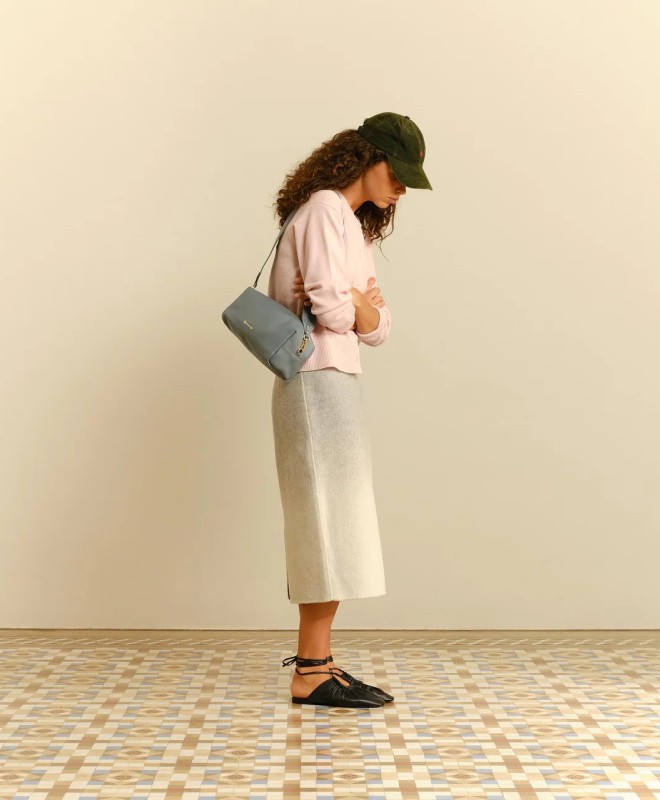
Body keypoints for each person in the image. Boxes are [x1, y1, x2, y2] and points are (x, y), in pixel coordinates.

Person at [267, 112, 432, 708]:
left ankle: (320, 661)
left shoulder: (350, 226)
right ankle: (311, 669)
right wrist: (357, 304)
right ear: (367, 158)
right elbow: (337, 311)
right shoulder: (321, 211)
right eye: (398, 172)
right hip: (314, 379)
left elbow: (379, 327)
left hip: (336, 380)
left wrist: (357, 304)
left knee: (337, 518)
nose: (403, 188)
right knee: (324, 519)